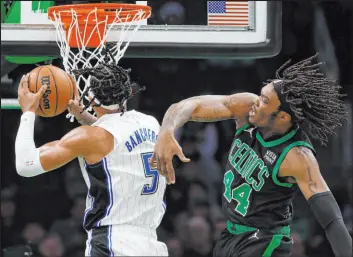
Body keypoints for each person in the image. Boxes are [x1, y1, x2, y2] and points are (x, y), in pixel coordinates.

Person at [151, 54, 352, 257]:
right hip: (231, 234)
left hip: (265, 241)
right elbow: (192, 105)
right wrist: (168, 129)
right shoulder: (247, 108)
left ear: (282, 116)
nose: (257, 101)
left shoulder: (297, 156)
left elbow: (331, 219)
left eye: (265, 100)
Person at [15, 62, 168, 256]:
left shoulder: (88, 138)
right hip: (151, 244)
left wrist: (28, 112)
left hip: (113, 243)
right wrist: (83, 116)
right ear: (129, 91)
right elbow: (118, 140)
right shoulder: (151, 124)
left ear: (90, 97)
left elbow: (25, 165)